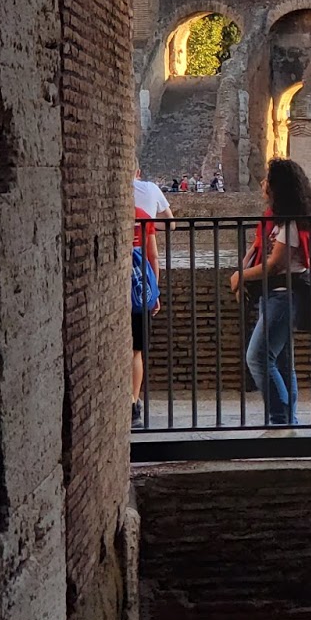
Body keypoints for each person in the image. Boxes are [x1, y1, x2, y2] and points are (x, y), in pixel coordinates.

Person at [230, 157, 311, 428]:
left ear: (278, 186)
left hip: (284, 295)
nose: (263, 183)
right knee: (281, 363)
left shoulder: (291, 223)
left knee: (257, 357)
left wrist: (240, 276)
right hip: (274, 294)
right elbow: (258, 249)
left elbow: (275, 264)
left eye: (268, 179)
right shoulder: (279, 219)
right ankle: (287, 422)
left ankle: (280, 421)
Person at [131, 167, 172, 429]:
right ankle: (133, 404)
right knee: (136, 351)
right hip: (138, 291)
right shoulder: (143, 217)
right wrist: (153, 291)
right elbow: (153, 257)